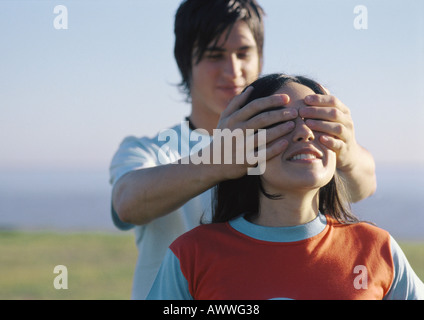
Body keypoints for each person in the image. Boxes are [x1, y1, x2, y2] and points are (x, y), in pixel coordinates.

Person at [109, 0, 377, 299]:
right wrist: (219, 161)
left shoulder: (287, 139)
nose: (233, 70)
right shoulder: (153, 149)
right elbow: (126, 203)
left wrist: (346, 149)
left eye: (244, 53)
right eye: (215, 55)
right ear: (186, 63)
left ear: (260, 58)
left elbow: (362, 186)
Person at [147, 74, 424, 300]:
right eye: (282, 122)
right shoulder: (192, 256)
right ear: (243, 147)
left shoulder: (376, 250)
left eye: (318, 120)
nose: (305, 132)